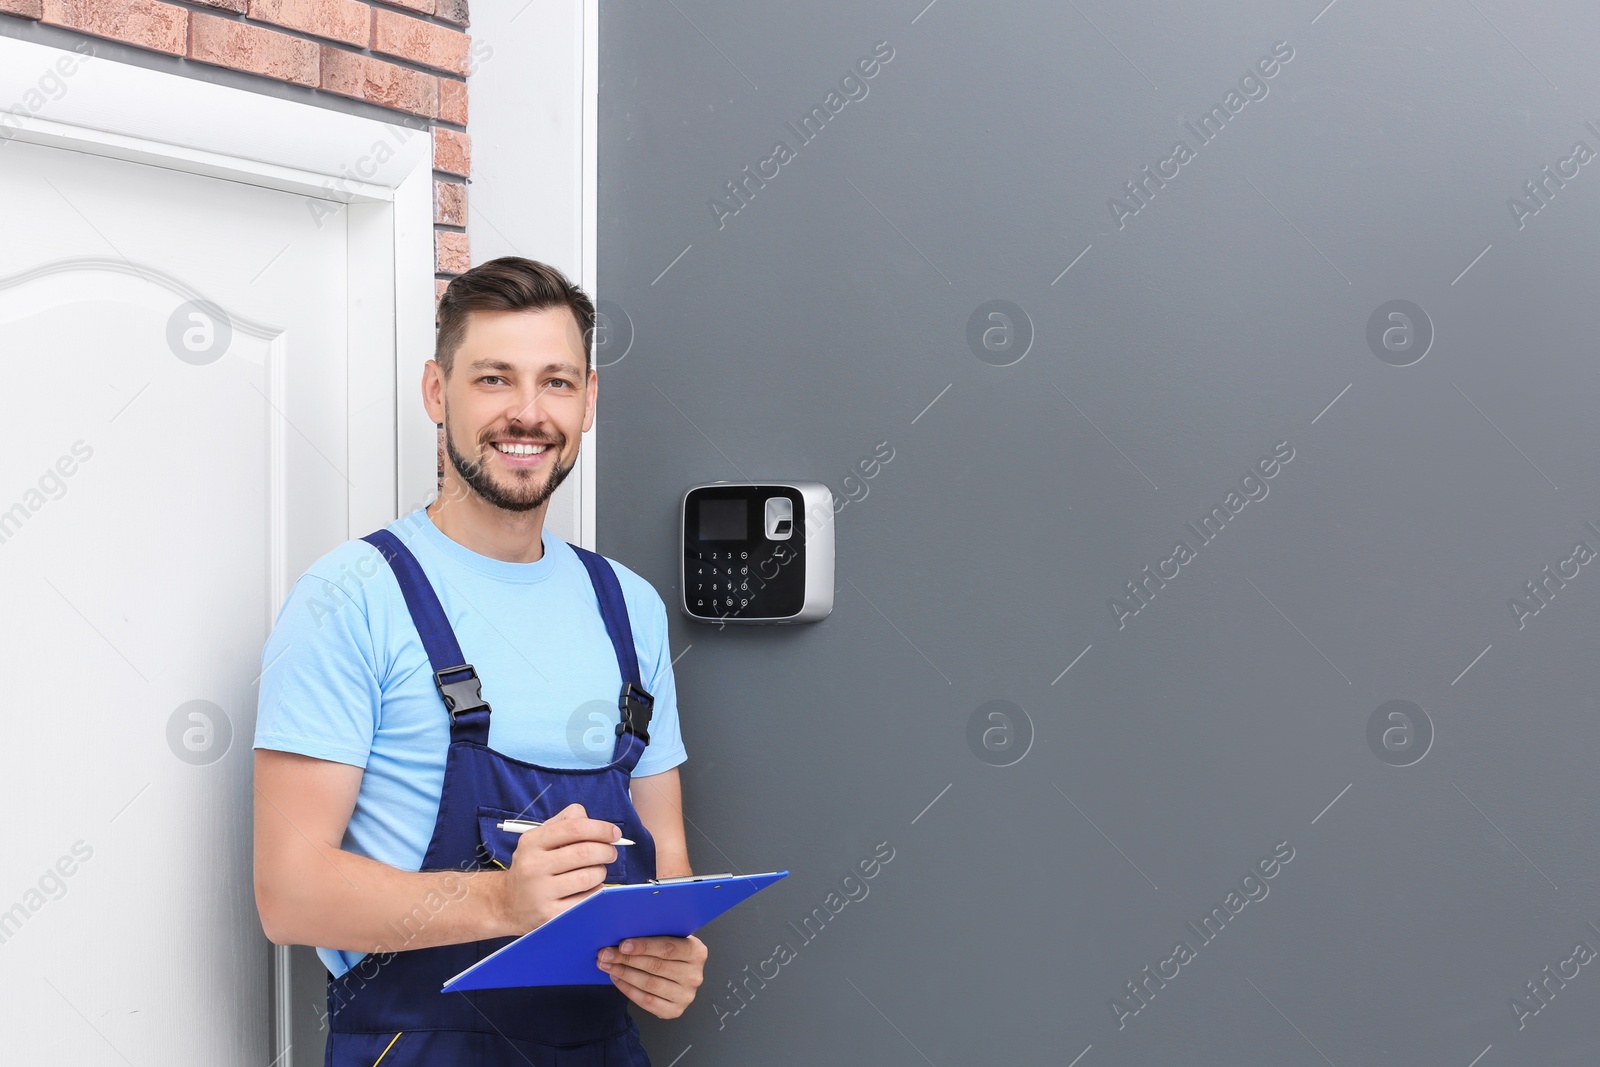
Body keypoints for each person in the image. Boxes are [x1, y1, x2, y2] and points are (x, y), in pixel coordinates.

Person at [252, 256, 706, 1065]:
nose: (527, 414)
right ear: (437, 391)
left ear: (589, 400)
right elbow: (288, 893)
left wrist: (667, 954)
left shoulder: (628, 607)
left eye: (557, 383)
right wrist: (503, 896)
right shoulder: (352, 596)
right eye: (494, 379)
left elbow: (665, 858)